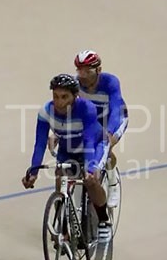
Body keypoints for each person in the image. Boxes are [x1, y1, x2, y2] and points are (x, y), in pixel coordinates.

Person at [22, 74, 113, 242]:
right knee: (60, 180)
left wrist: (90, 168)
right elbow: (40, 143)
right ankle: (64, 229)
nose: (59, 102)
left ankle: (104, 221)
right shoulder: (45, 112)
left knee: (91, 181)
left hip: (94, 145)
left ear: (75, 96)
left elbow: (88, 140)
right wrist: (34, 170)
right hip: (68, 149)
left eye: (64, 97)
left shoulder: (87, 109)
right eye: (55, 96)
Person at [74, 49, 128, 208]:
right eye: (79, 70)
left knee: (105, 146)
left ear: (98, 70)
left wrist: (110, 132)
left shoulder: (110, 82)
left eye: (87, 71)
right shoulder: (76, 84)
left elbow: (115, 109)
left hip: (114, 117)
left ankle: (113, 183)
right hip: (92, 119)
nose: (82, 75)